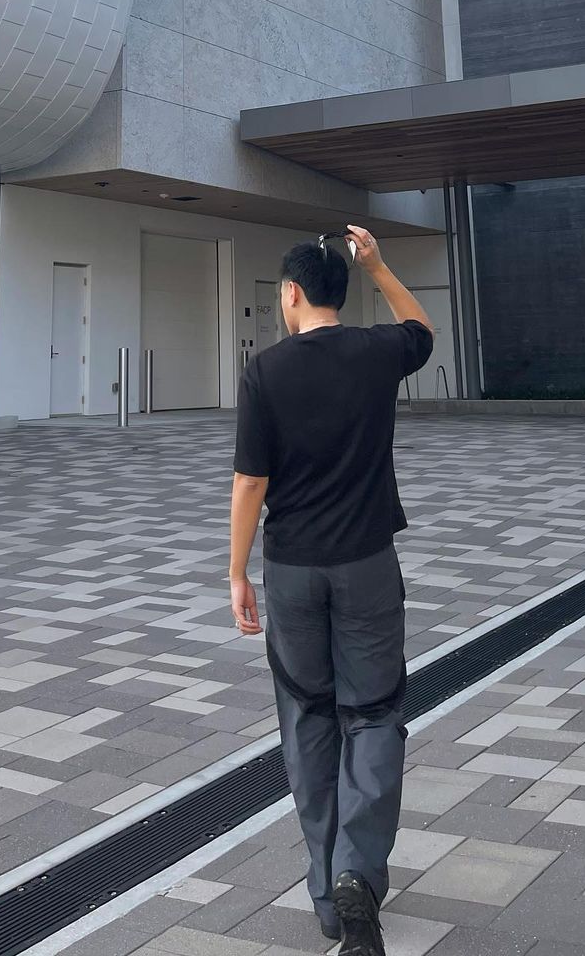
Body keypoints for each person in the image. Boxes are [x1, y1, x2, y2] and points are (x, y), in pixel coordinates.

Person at [229, 225, 434, 956]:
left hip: (292, 570)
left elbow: (250, 481)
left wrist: (236, 572)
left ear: (290, 294)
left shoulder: (265, 370)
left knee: (308, 719)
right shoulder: (377, 352)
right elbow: (421, 329)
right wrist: (378, 265)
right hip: (368, 564)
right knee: (373, 715)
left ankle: (328, 894)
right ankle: (357, 874)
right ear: (340, 291)